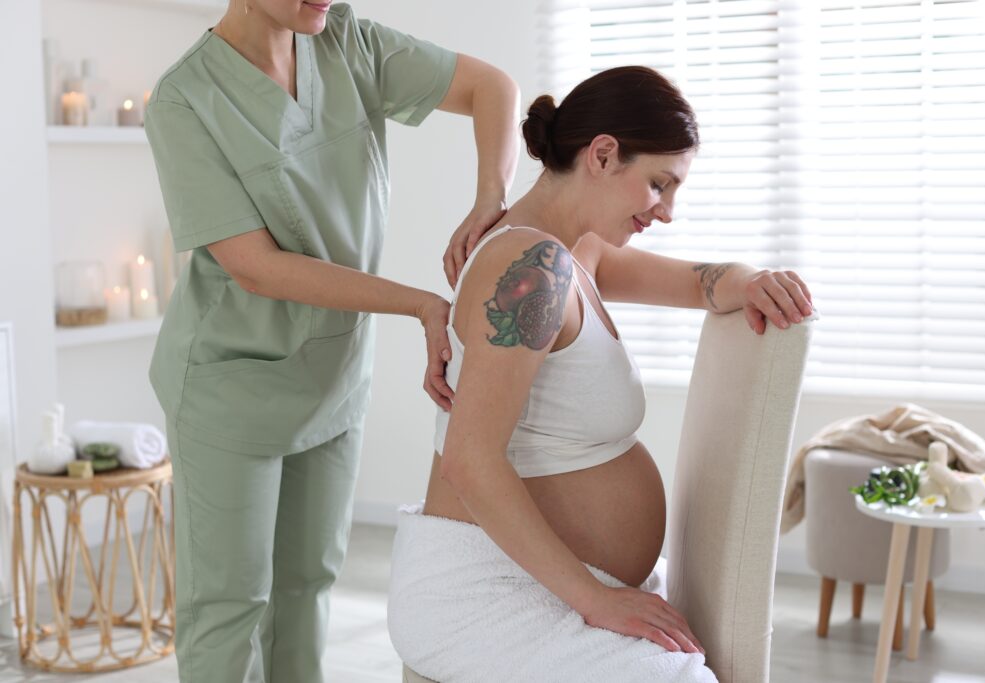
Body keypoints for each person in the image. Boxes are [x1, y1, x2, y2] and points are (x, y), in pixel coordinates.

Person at [387, 66, 815, 682]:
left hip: (544, 578)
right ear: (604, 154)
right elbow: (469, 459)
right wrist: (595, 599)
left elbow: (697, 284)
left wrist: (751, 279)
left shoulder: (573, 252)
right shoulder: (533, 266)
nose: (666, 212)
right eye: (659, 184)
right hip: (483, 592)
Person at [142, 1, 520, 680]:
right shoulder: (185, 99)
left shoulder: (348, 43)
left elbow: (492, 86)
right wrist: (418, 304)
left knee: (306, 588)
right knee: (228, 607)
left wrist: (490, 198)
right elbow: (256, 267)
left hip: (335, 376)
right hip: (233, 384)